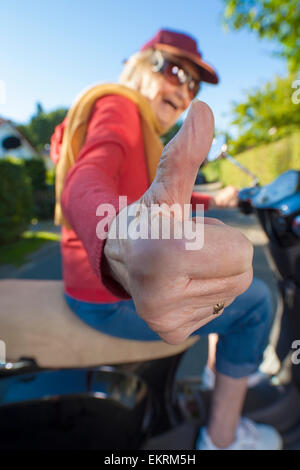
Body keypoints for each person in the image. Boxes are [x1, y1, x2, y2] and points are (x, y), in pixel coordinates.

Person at [51, 28, 282, 450]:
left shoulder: (140, 128)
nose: (184, 89)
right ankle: (222, 437)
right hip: (105, 298)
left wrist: (215, 197)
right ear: (141, 66)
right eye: (175, 70)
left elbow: (144, 194)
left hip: (86, 288)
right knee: (257, 302)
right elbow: (85, 179)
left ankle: (222, 372)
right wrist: (118, 237)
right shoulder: (119, 106)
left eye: (192, 84)